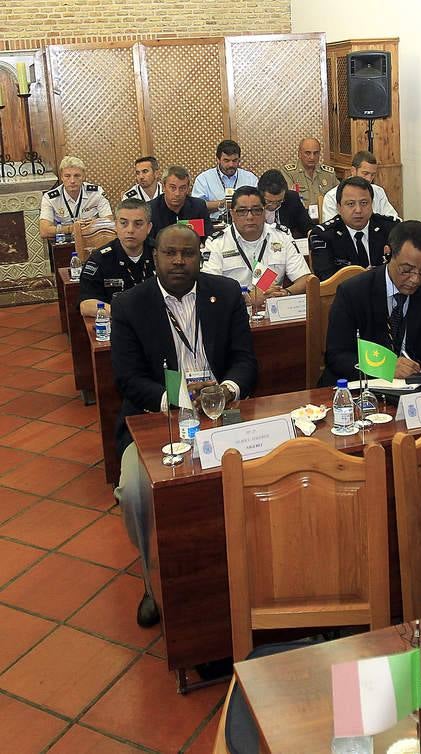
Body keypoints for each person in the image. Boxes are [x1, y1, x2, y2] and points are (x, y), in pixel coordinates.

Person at [111, 224, 257, 626]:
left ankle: (253, 570)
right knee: (136, 492)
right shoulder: (129, 304)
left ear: (200, 256)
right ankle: (150, 580)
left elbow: (246, 361)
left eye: (188, 254)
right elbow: (127, 378)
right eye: (170, 254)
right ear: (155, 256)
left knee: (267, 470)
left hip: (222, 413)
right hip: (157, 418)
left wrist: (226, 390)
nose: (179, 261)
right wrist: (180, 400)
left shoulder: (225, 294)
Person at [323, 220, 421, 385]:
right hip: (365, 388)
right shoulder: (353, 292)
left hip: (418, 387)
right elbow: (337, 357)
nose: (415, 279)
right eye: (406, 270)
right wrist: (385, 366)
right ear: (387, 253)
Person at [204, 186, 311, 310]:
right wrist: (248, 298)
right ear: (232, 214)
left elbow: (305, 279)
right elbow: (209, 289)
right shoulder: (217, 243)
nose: (250, 217)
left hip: (273, 311)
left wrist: (284, 293)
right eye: (242, 211)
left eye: (256, 210)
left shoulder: (282, 236)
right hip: (233, 311)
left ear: (264, 211)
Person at [308, 176, 399, 282]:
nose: (358, 210)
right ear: (339, 207)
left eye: (364, 203)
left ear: (372, 204)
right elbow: (326, 279)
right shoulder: (323, 235)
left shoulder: (390, 228)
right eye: (350, 204)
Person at [79, 198, 155, 317]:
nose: (130, 230)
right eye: (124, 223)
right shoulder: (99, 259)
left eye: (138, 224)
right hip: (118, 323)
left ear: (149, 228)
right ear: (115, 226)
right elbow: (86, 305)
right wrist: (124, 313)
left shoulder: (161, 254)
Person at [39, 156, 113, 239]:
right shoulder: (50, 198)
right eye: (67, 176)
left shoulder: (96, 193)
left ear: (84, 176)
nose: (72, 181)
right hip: (65, 243)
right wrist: (71, 228)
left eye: (77, 176)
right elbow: (44, 231)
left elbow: (109, 222)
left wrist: (91, 225)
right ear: (61, 177)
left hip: (92, 239)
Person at [321, 150, 400, 222]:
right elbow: (331, 230)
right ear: (353, 171)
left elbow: (394, 219)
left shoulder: (378, 192)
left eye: (372, 175)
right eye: (365, 173)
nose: (369, 179)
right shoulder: (332, 197)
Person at [192, 140, 258, 220]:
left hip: (244, 225)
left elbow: (258, 205)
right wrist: (223, 204)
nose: (231, 165)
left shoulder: (250, 178)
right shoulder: (203, 179)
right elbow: (196, 207)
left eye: (235, 160)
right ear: (218, 159)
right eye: (226, 160)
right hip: (214, 226)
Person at [148, 165, 212, 241]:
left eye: (182, 188)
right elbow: (149, 241)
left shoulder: (198, 206)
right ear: (164, 187)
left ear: (188, 189)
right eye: (173, 188)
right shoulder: (150, 209)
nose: (177, 193)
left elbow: (209, 237)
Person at [281, 137, 336, 210]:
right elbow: (288, 201)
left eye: (316, 153)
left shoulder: (329, 174)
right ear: (299, 154)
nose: (312, 157)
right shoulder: (289, 173)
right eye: (307, 153)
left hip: (325, 215)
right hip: (300, 216)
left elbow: (338, 197)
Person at [257, 170, 313, 238]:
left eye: (279, 201)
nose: (274, 206)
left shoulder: (292, 199)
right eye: (269, 201)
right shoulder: (251, 202)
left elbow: (308, 227)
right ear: (260, 194)